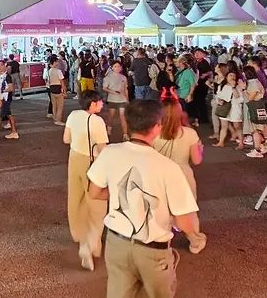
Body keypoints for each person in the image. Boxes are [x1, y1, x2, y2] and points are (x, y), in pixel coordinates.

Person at [87, 100, 206, 298]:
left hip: (116, 243)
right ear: (157, 126)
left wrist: (125, 195)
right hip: (153, 250)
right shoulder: (169, 168)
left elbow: (94, 193)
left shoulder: (110, 152)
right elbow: (184, 222)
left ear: (127, 123)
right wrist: (191, 233)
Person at [64, 90, 109, 270]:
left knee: (76, 200)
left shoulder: (73, 115)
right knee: (97, 203)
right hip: (92, 162)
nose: (102, 104)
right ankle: (90, 244)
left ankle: (80, 236)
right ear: (92, 104)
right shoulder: (97, 121)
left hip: (74, 158)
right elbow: (103, 149)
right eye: (100, 102)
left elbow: (66, 139)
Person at [153, 93, 203, 197]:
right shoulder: (190, 133)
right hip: (183, 174)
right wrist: (200, 149)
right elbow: (197, 160)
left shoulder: (152, 132)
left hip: (160, 174)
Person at [214, 68, 245, 148]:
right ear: (226, 77)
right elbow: (218, 95)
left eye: (234, 76)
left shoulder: (238, 86)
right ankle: (221, 142)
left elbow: (239, 97)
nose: (232, 77)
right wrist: (219, 100)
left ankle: (241, 143)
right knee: (224, 125)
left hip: (235, 108)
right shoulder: (222, 86)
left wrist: (233, 87)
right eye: (230, 75)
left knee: (237, 126)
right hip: (224, 107)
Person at [103, 61, 129, 139]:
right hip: (112, 99)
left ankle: (125, 134)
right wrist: (113, 92)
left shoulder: (123, 77)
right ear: (112, 68)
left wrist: (127, 99)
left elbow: (125, 89)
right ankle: (108, 130)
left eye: (119, 66)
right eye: (115, 66)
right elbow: (104, 88)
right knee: (111, 116)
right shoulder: (108, 77)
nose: (117, 68)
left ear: (121, 68)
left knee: (123, 116)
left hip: (122, 99)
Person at [0, 60, 18, 139]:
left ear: (5, 66)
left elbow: (11, 88)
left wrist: (1, 91)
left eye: (1, 65)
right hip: (0, 98)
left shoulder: (7, 76)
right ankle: (14, 132)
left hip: (5, 99)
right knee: (8, 115)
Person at [47, 55, 67, 125]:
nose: (58, 63)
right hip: (58, 89)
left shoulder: (49, 71)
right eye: (57, 62)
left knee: (54, 105)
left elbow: (48, 80)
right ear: (54, 62)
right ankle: (58, 120)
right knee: (60, 106)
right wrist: (64, 90)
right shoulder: (58, 71)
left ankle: (55, 118)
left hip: (52, 89)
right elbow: (62, 81)